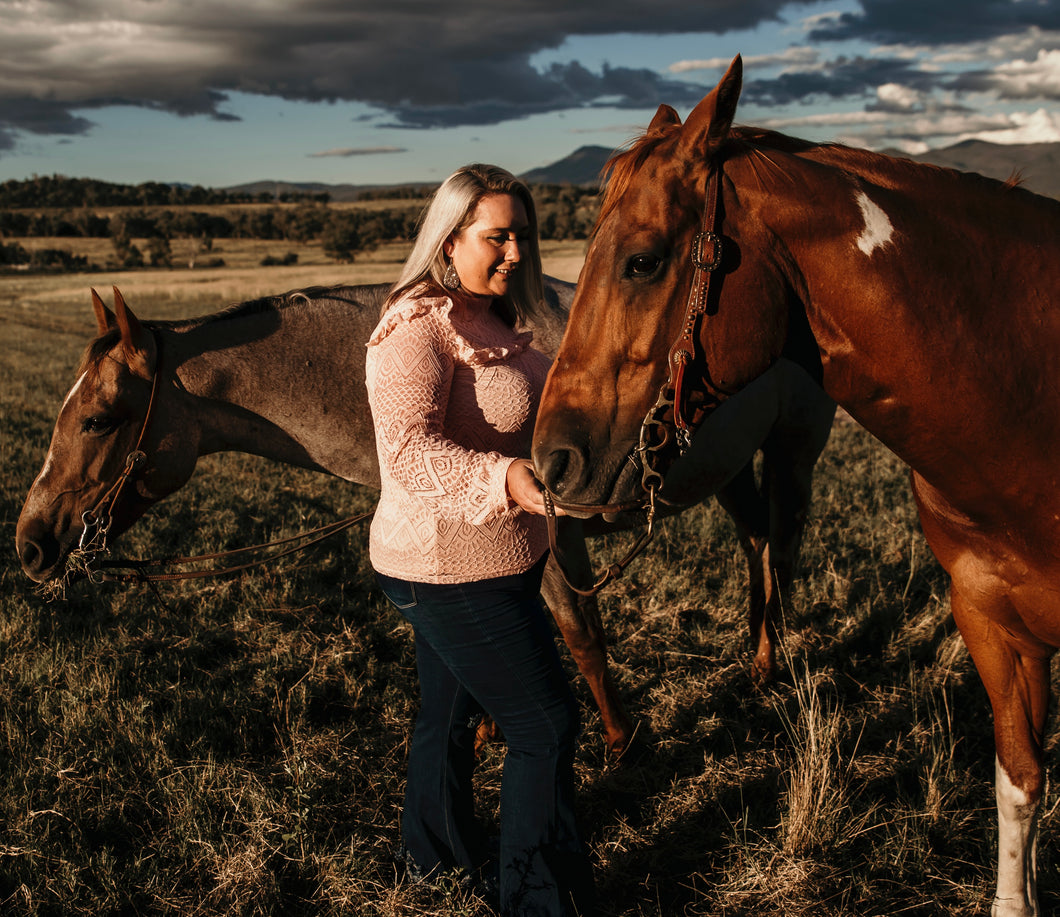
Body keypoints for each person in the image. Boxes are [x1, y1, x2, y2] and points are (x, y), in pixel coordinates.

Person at [365, 163, 595, 917]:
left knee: (451, 713)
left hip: (502, 557)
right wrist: (508, 481)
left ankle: (430, 863)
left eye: (524, 236)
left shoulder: (495, 319)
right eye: (498, 236)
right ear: (450, 236)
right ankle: (535, 897)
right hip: (443, 566)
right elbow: (405, 451)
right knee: (545, 724)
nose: (518, 253)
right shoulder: (415, 325)